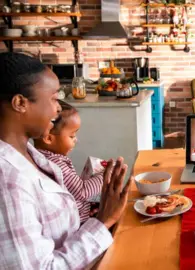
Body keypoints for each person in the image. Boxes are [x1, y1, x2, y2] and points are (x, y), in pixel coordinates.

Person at [0, 52, 132, 269]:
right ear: (20, 103)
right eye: (53, 98)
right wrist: (102, 222)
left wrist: (101, 215)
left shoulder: (32, 155)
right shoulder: (7, 182)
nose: (58, 107)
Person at [34, 100, 103, 224]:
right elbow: (83, 191)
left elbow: (73, 190)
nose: (76, 140)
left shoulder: (41, 157)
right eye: (72, 136)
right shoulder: (55, 163)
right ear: (49, 138)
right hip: (78, 223)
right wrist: (104, 176)